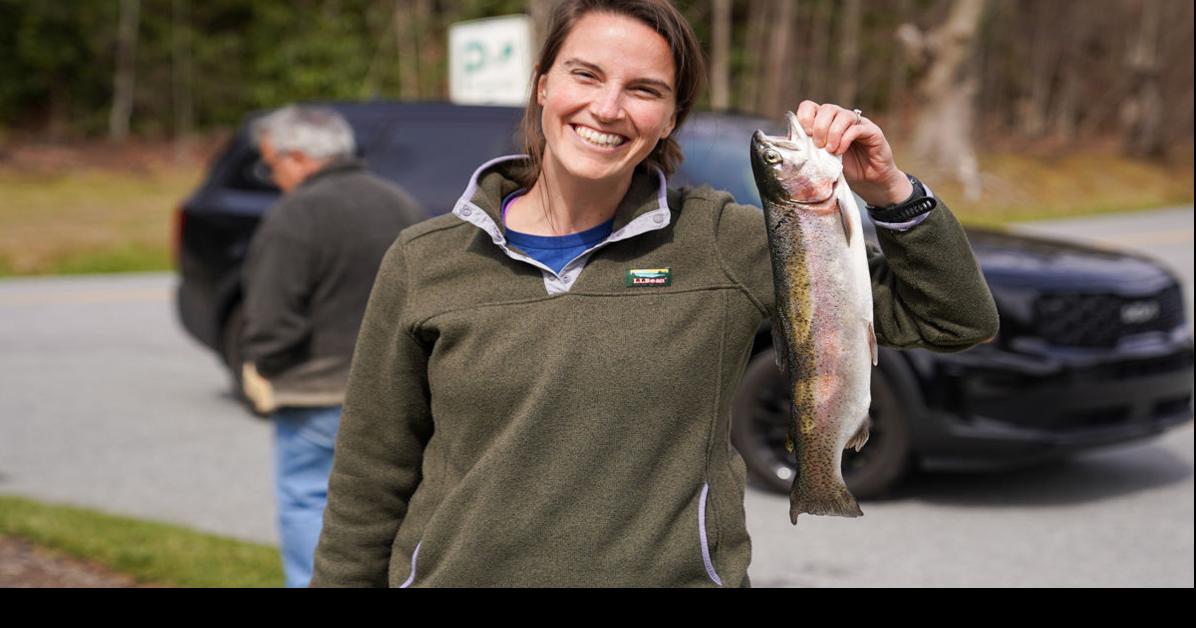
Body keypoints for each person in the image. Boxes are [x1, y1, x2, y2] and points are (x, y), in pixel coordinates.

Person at [311, 0, 998, 588]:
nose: (608, 108)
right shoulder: (425, 259)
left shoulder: (725, 241)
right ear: (543, 85)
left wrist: (892, 194)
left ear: (671, 118)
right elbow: (370, 477)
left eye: (644, 90)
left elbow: (954, 320)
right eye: (585, 74)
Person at [240, 104, 426, 588]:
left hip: (316, 392)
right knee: (381, 507)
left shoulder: (296, 213)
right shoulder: (398, 203)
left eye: (272, 165)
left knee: (308, 501)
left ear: (298, 157)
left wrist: (264, 365)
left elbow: (271, 317)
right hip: (391, 391)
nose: (273, 177)